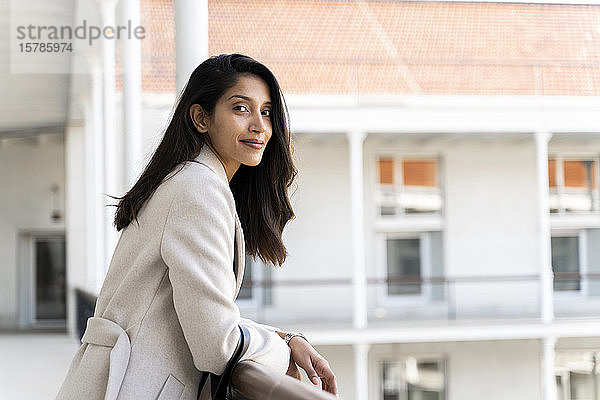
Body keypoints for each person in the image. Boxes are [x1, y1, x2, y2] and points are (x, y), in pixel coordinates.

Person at [56, 53, 338, 400]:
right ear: (201, 118)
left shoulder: (187, 181)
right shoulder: (198, 189)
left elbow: (202, 312)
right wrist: (280, 354)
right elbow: (216, 346)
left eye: (266, 111)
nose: (260, 126)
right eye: (241, 108)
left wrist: (285, 338)